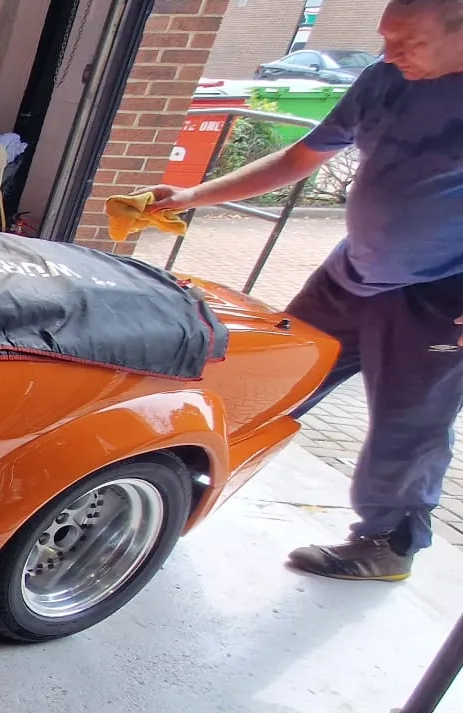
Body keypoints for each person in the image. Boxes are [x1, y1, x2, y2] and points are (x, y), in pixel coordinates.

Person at [142, 0, 463, 582]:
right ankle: (180, 491)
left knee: (408, 423)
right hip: (351, 276)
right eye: (385, 38)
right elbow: (301, 157)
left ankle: (387, 545)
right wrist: (193, 197)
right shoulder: (385, 79)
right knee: (272, 378)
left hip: (441, 296)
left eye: (408, 40)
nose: (390, 52)